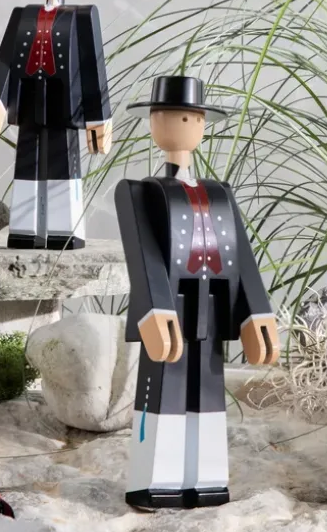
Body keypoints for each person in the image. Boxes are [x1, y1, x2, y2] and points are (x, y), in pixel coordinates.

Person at [116, 75, 279, 509]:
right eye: (172, 116)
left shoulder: (220, 193)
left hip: (214, 311)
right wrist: (153, 309)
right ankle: (157, 482)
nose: (184, 123)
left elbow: (242, 256)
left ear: (203, 124)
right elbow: (144, 254)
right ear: (154, 122)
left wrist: (256, 313)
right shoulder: (139, 192)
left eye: (192, 117)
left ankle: (206, 480)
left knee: (207, 393)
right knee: (164, 392)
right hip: (167, 313)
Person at [0, 0, 111, 250]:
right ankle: (25, 229)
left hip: (65, 106)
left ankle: (63, 229)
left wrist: (99, 118)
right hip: (27, 103)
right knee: (26, 164)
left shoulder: (82, 16)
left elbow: (92, 67)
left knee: (63, 165)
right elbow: (5, 60)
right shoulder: (23, 15)